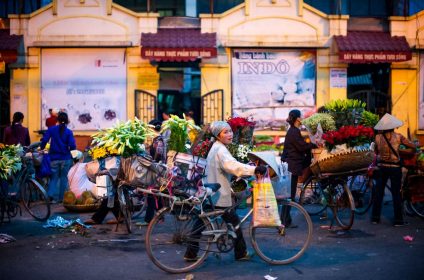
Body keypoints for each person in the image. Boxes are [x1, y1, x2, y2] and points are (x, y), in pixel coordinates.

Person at [183, 121, 267, 262]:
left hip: (210, 192)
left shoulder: (215, 147)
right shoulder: (220, 150)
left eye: (230, 131)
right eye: (225, 132)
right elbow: (232, 165)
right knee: (235, 222)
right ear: (218, 135)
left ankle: (190, 253)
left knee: (200, 222)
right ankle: (241, 253)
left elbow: (228, 167)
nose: (230, 134)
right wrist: (254, 169)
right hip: (218, 195)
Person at [371, 113, 416, 227]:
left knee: (379, 193)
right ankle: (398, 221)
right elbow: (413, 147)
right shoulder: (399, 136)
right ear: (393, 126)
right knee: (396, 193)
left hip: (381, 167)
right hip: (395, 168)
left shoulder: (377, 137)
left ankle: (375, 218)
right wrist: (400, 152)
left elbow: (375, 152)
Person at [281, 109, 317, 224]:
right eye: (301, 117)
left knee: (289, 195)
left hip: (292, 166)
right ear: (297, 119)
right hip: (292, 166)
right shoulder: (294, 132)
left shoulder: (293, 130)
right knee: (289, 196)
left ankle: (286, 220)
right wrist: (313, 144)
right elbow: (301, 147)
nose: (302, 119)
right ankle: (285, 221)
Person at [40, 112, 76, 203]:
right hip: (66, 158)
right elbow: (72, 145)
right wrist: (74, 155)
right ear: (67, 120)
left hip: (54, 158)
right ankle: (61, 198)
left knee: (54, 178)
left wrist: (42, 148)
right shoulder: (69, 132)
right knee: (64, 178)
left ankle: (50, 197)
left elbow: (44, 140)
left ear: (58, 120)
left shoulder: (51, 129)